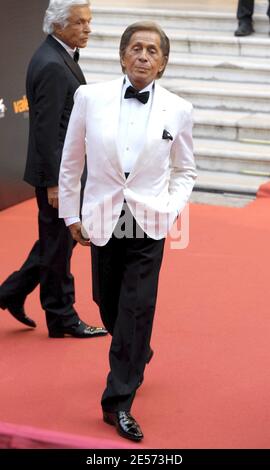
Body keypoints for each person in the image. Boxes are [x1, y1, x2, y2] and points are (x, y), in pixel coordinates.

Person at [59, 21, 196, 441]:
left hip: (148, 221)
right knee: (107, 302)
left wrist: (171, 208)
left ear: (163, 63)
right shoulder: (90, 97)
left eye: (152, 51)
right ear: (122, 56)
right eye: (135, 48)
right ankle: (137, 348)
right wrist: (70, 215)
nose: (143, 56)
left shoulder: (179, 108)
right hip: (103, 217)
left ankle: (118, 401)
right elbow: (71, 161)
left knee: (136, 308)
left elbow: (185, 169)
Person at [0, 0, 107, 339]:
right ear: (59, 26)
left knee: (56, 242)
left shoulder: (58, 55)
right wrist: (55, 185)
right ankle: (61, 316)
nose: (87, 29)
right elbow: (46, 132)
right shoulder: (51, 64)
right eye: (80, 23)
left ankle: (12, 292)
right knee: (59, 246)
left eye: (89, 22)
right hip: (59, 176)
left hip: (65, 172)